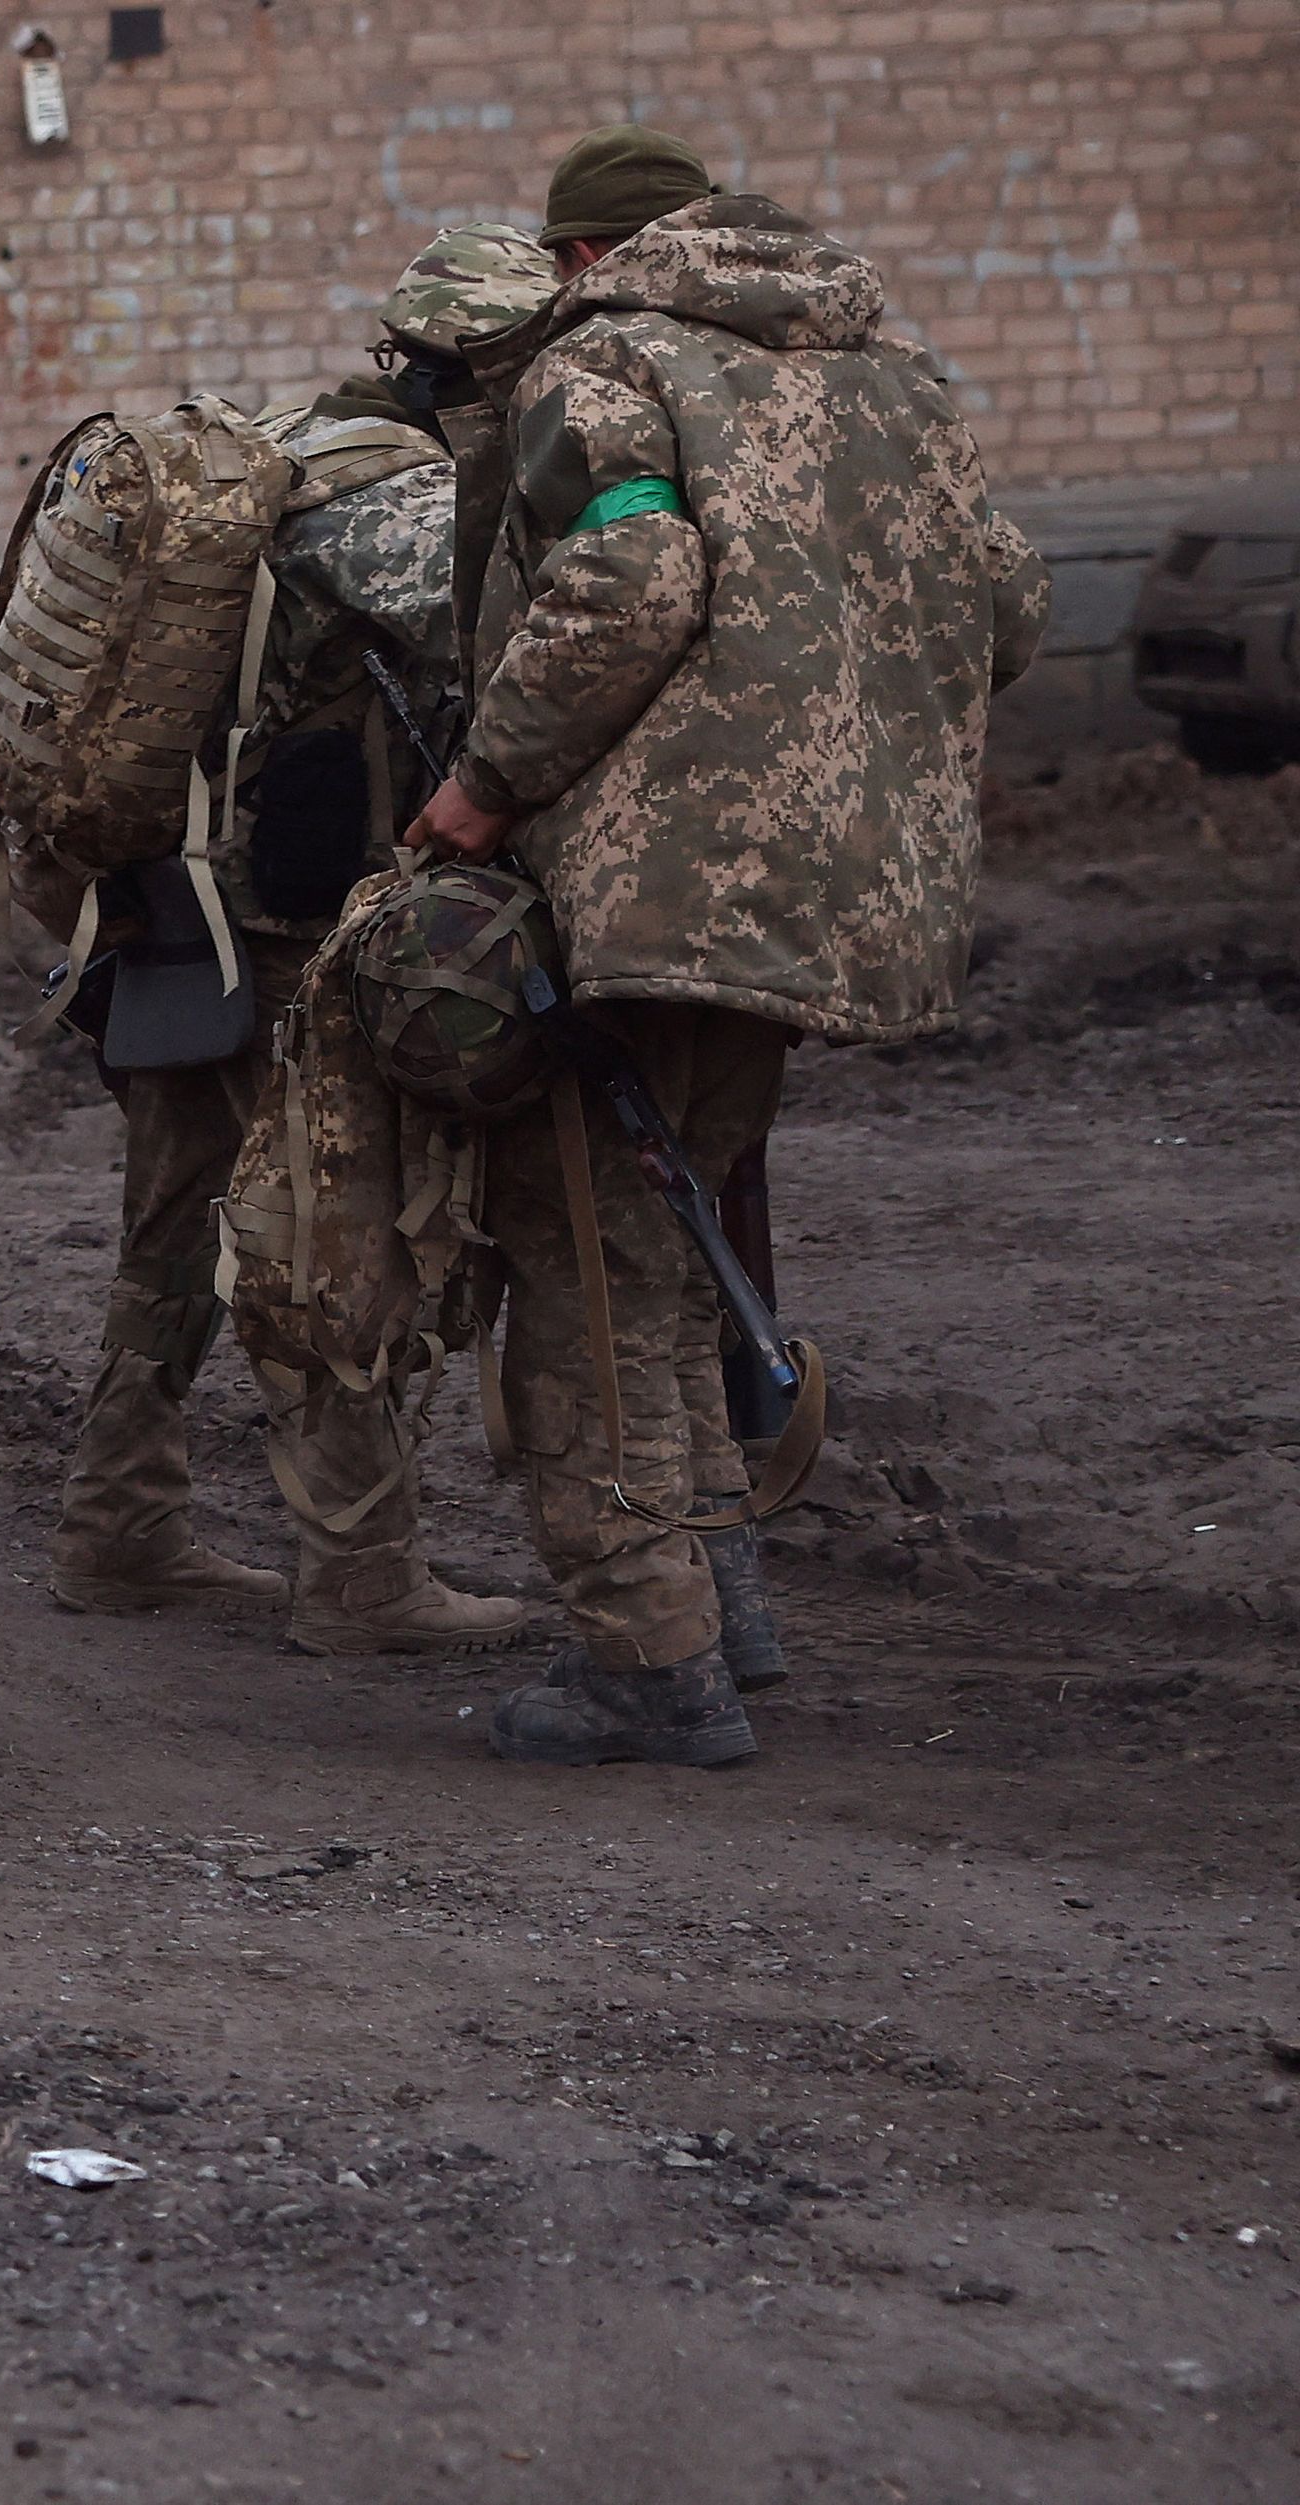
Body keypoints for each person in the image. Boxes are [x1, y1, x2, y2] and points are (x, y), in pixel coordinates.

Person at [406, 127, 1049, 1765]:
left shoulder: (606, 358)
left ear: (577, 258)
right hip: (838, 886)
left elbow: (626, 577)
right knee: (673, 1230)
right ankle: (717, 1604)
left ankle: (644, 1656)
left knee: (587, 1257)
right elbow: (1010, 598)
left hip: (664, 878)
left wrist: (483, 787)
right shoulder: (885, 367)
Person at [43, 226, 554, 1658]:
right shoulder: (386, 493)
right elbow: (502, 638)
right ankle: (361, 1571)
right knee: (319, 1231)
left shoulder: (287, 444)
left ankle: (118, 1523)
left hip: (172, 904)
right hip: (272, 931)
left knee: (176, 1221)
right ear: (482, 372)